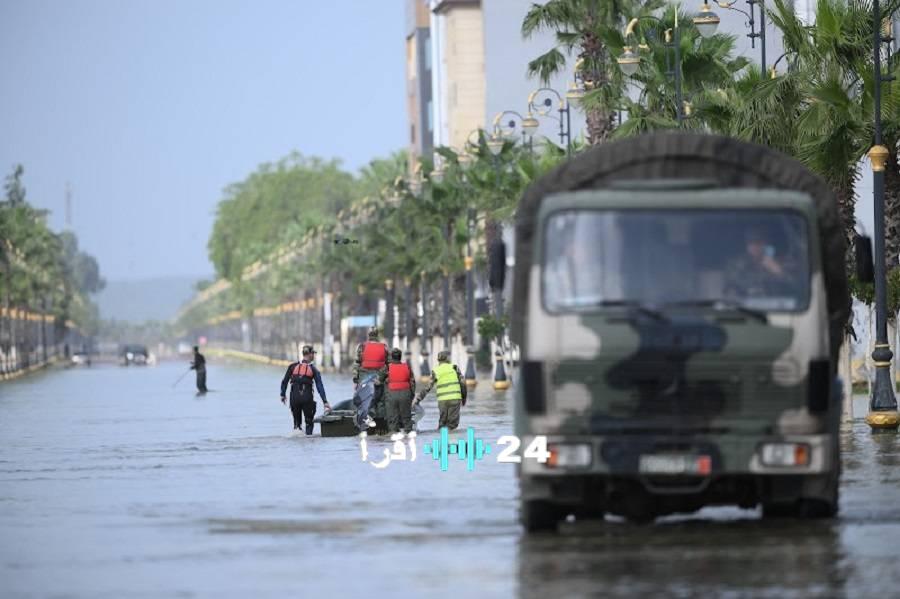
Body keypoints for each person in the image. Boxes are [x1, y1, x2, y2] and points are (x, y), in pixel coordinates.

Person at [725, 227, 795, 299]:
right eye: (751, 242)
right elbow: (730, 288)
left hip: (778, 305)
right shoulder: (736, 264)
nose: (755, 246)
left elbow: (796, 286)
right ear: (747, 245)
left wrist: (778, 270)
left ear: (768, 244)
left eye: (759, 242)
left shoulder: (784, 262)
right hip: (746, 305)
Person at [280, 345, 330, 434]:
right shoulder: (313, 369)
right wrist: (325, 401)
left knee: (296, 425)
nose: (314, 355)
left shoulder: (292, 367)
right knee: (309, 423)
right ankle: (308, 443)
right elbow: (320, 387)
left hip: (294, 399)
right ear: (310, 354)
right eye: (313, 353)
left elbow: (284, 382)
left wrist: (282, 395)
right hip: (307, 399)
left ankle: (297, 442)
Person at [414, 350, 466, 430]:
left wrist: (418, 399)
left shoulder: (435, 371)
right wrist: (464, 398)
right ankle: (450, 441)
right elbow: (463, 383)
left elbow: (428, 387)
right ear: (448, 359)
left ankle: (441, 439)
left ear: (438, 360)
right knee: (452, 424)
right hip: (455, 398)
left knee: (442, 423)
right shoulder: (454, 367)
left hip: (442, 400)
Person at [353, 327, 390, 422]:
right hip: (379, 377)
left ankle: (364, 420)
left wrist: (355, 381)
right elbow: (389, 364)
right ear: (377, 335)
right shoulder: (384, 347)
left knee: (363, 399)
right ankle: (381, 422)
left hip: (364, 377)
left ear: (368, 335)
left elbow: (357, 364)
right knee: (381, 400)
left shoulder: (362, 347)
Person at [378, 347, 416, 436]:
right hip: (405, 394)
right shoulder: (407, 367)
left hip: (391, 395)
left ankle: (394, 437)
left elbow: (379, 380)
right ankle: (409, 438)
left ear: (392, 357)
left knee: (392, 419)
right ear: (400, 357)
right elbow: (412, 382)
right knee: (406, 419)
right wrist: (411, 395)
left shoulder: (387, 368)